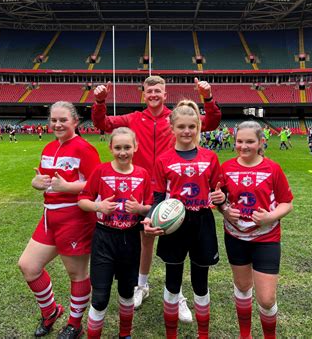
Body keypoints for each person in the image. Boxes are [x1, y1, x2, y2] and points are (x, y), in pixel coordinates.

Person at [92, 76, 221, 321]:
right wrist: (99, 101)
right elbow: (104, 123)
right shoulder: (133, 118)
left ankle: (178, 294)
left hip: (171, 191)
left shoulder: (175, 118)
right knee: (145, 239)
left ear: (165, 93)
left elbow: (211, 122)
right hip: (139, 187)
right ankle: (142, 285)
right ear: (143, 94)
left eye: (158, 90)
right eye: (149, 90)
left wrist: (208, 98)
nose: (153, 94)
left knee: (174, 239)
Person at [18, 101, 101, 338]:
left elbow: (96, 184)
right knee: (29, 266)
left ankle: (75, 323)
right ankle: (51, 311)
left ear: (75, 121)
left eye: (63, 119)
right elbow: (44, 181)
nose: (57, 124)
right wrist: (36, 184)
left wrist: (69, 186)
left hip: (75, 219)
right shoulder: (48, 148)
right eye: (53, 120)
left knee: (77, 274)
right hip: (49, 217)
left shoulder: (84, 148)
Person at [142, 100, 225, 339]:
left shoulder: (210, 157)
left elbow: (218, 191)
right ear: (172, 127)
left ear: (198, 126)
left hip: (202, 223)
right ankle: (171, 334)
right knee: (173, 280)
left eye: (191, 126)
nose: (187, 131)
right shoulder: (163, 160)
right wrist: (150, 218)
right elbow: (158, 196)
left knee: (201, 281)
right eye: (181, 127)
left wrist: (221, 197)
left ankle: (203, 334)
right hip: (173, 226)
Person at [218, 121, 293, 339]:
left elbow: (287, 203)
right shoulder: (226, 168)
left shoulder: (272, 168)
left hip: (266, 238)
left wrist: (269, 217)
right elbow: (219, 199)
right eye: (240, 141)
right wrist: (223, 209)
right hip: (235, 237)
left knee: (267, 298)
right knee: (242, 287)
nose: (244, 146)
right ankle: (245, 335)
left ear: (261, 142)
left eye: (250, 141)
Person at [78, 127, 153, 338]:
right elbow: (83, 200)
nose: (123, 152)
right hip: (104, 239)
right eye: (118, 147)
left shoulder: (142, 174)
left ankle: (125, 334)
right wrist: (98, 207)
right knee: (100, 297)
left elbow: (149, 206)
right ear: (111, 148)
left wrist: (139, 210)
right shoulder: (101, 171)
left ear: (135, 147)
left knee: (126, 293)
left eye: (127, 147)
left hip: (130, 240)